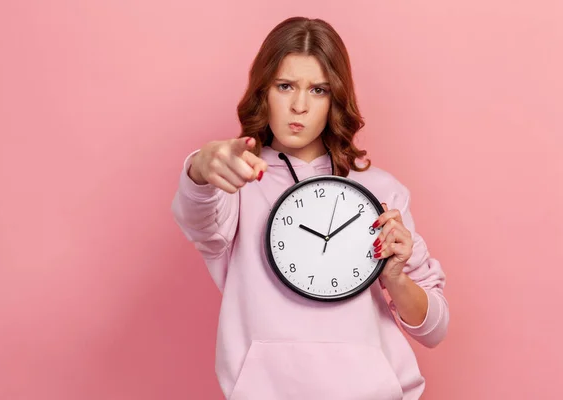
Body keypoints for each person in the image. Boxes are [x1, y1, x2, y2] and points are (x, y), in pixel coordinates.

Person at [171, 16, 449, 400]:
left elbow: (434, 330)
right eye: (285, 86)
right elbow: (196, 213)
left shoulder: (381, 191)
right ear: (263, 91)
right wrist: (201, 165)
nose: (299, 106)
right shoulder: (236, 184)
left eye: (318, 90)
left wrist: (397, 279)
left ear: (336, 98)